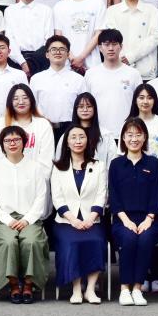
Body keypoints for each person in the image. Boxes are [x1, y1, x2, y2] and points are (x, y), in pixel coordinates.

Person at [0, 125, 52, 303]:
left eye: (16, 139)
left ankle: (29, 285)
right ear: (2, 145)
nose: (12, 143)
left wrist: (27, 219)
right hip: (3, 219)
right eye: (7, 140)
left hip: (29, 218)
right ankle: (13, 285)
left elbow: (41, 197)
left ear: (24, 142)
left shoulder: (35, 167)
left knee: (31, 241)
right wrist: (8, 220)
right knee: (8, 242)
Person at [48, 123, 108, 304]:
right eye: (73, 137)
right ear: (67, 143)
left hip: (92, 219)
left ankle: (90, 289)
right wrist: (73, 220)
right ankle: (76, 289)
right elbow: (57, 198)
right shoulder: (58, 167)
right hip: (66, 220)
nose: (78, 141)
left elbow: (102, 195)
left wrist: (91, 218)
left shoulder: (98, 166)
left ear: (87, 141)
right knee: (72, 242)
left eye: (81, 137)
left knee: (96, 240)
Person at [107, 119, 158, 306]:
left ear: (145, 137)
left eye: (138, 134)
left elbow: (157, 194)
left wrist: (149, 219)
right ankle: (125, 288)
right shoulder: (116, 164)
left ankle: (138, 288)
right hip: (123, 219)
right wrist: (125, 220)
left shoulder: (153, 163)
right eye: (130, 135)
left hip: (150, 219)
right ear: (123, 138)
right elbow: (113, 196)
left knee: (146, 239)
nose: (134, 139)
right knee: (129, 238)